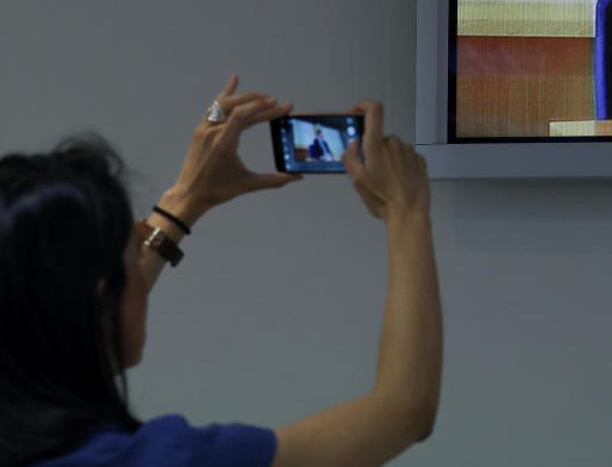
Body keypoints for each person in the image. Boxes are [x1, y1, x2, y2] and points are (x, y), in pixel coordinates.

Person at [0, 76, 442, 467]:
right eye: (135, 249)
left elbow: (73, 339)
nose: (143, 264)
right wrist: (406, 210)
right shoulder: (159, 460)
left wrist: (185, 201)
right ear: (99, 298)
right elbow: (404, 412)